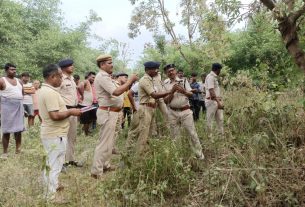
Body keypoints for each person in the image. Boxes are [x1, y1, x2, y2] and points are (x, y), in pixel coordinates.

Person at [39, 64, 82, 202]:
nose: (62, 79)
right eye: (60, 76)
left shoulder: (45, 90)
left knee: (54, 162)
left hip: (53, 133)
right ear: (52, 77)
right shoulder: (50, 93)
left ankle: (54, 185)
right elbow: (55, 116)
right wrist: (71, 111)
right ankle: (50, 197)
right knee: (53, 165)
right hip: (54, 133)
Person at [90, 54, 138, 179]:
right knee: (104, 142)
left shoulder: (107, 77)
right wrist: (130, 81)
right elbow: (116, 92)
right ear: (102, 65)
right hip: (107, 112)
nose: (112, 65)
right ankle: (96, 171)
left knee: (110, 142)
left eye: (112, 62)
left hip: (113, 112)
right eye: (109, 63)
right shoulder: (102, 76)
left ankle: (105, 165)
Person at [126, 61, 177, 154]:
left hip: (151, 108)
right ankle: (139, 157)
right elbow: (154, 95)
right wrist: (171, 91)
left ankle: (145, 153)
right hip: (145, 108)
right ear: (148, 70)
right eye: (155, 69)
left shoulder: (152, 80)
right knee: (143, 134)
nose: (157, 71)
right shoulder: (144, 80)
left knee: (149, 133)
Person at [163, 64, 204, 159]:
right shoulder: (165, 84)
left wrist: (183, 91)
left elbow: (190, 94)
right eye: (168, 71)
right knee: (175, 135)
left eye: (172, 70)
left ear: (175, 71)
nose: (171, 72)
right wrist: (172, 91)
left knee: (192, 133)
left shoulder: (184, 80)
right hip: (172, 112)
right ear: (166, 73)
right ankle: (178, 157)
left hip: (185, 111)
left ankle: (199, 154)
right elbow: (165, 101)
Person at [58, 58, 82, 167]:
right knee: (62, 136)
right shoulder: (59, 79)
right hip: (65, 110)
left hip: (73, 110)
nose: (72, 67)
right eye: (70, 65)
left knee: (72, 136)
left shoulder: (72, 78)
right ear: (63, 68)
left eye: (72, 65)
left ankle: (71, 159)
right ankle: (61, 161)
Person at [0, 63, 25, 159]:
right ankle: (5, 153)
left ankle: (18, 149)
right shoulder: (2, 80)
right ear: (6, 70)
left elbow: (22, 93)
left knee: (18, 129)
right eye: (11, 69)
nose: (14, 71)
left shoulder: (19, 81)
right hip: (6, 106)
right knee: (6, 130)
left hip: (18, 105)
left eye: (15, 69)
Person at [205, 63, 224, 136]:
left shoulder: (214, 77)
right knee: (210, 120)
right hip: (212, 101)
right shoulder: (210, 77)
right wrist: (218, 102)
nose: (220, 71)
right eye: (220, 70)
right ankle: (210, 137)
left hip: (216, 101)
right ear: (217, 69)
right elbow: (211, 91)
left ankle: (220, 135)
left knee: (220, 119)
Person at [78, 71, 97, 136]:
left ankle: (86, 130)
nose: (93, 79)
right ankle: (86, 134)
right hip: (84, 105)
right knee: (86, 121)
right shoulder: (86, 81)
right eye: (92, 77)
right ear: (88, 76)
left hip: (90, 105)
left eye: (94, 78)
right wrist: (82, 95)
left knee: (92, 118)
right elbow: (79, 87)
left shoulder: (91, 84)